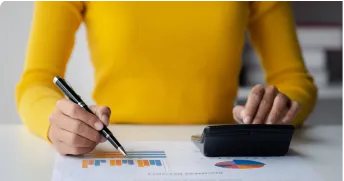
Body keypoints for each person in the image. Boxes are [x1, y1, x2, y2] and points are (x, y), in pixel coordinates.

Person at [15, 0, 317, 155]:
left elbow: (295, 79)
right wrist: (54, 124)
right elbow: (37, 81)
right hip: (116, 145)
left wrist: (282, 107)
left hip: (214, 151)